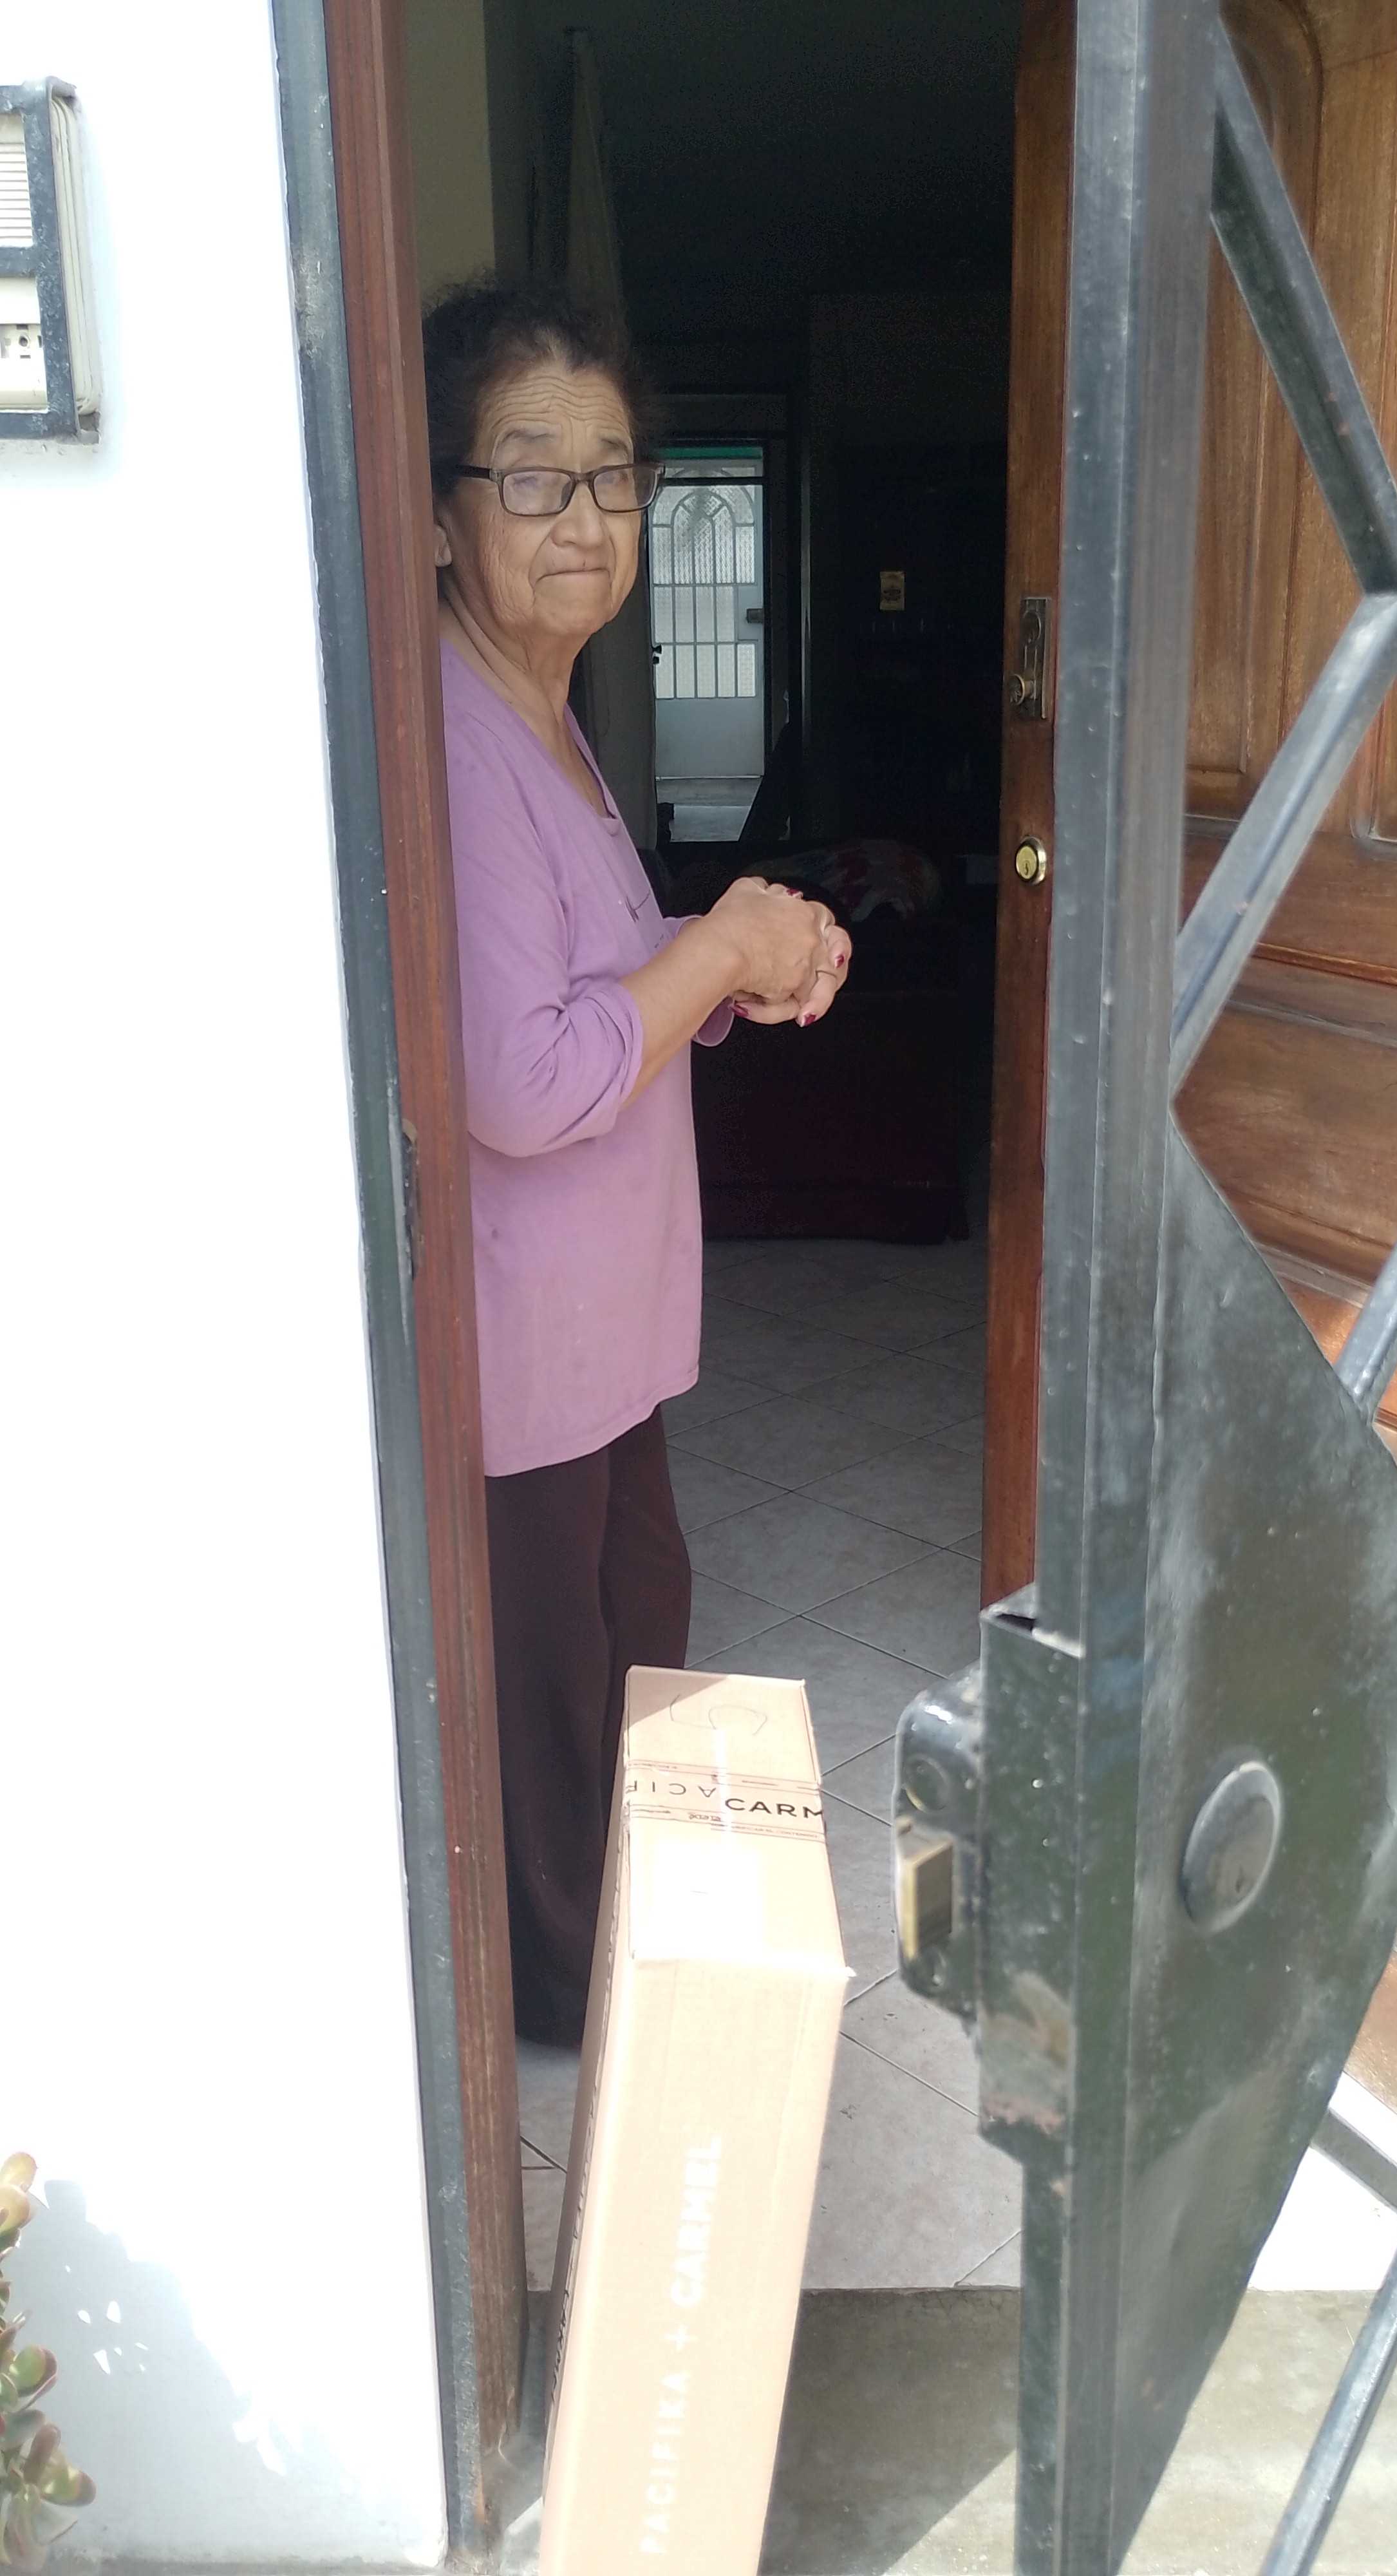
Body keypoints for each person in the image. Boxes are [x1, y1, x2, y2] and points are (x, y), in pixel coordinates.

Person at [425, 278, 852, 2044]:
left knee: (633, 1628)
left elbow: (598, 979)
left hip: (605, 1327)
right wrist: (721, 942)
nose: (585, 518)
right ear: (440, 510)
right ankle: (574, 2008)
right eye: (532, 476)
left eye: (613, 474)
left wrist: (736, 962)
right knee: (551, 1697)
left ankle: (637, 1946)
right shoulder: (457, 739)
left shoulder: (544, 708)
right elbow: (523, 1081)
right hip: (526, 1345)